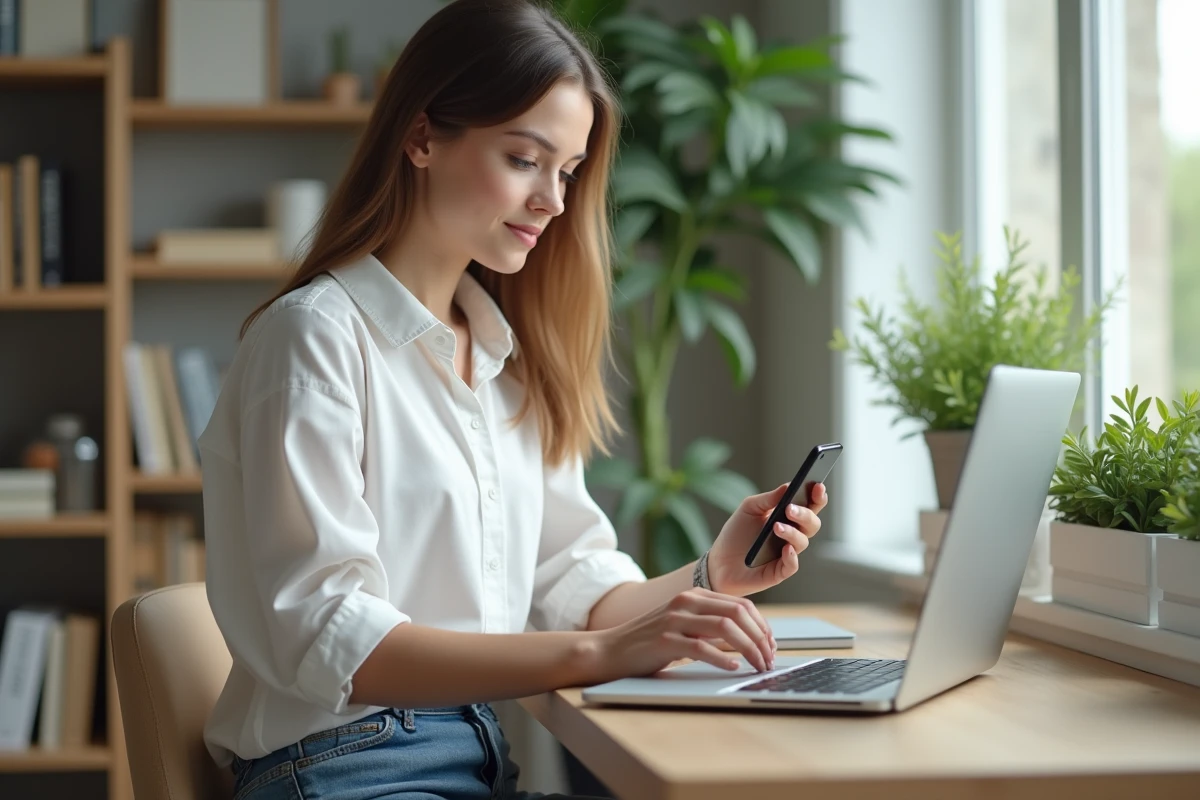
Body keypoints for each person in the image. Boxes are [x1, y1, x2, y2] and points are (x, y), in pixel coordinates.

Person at [197, 1, 827, 798]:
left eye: (567, 172)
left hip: (473, 758)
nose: (554, 203)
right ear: (422, 137)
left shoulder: (505, 361)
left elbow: (575, 590)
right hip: (346, 768)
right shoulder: (314, 340)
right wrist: (597, 657)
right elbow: (333, 641)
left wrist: (710, 575)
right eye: (526, 160)